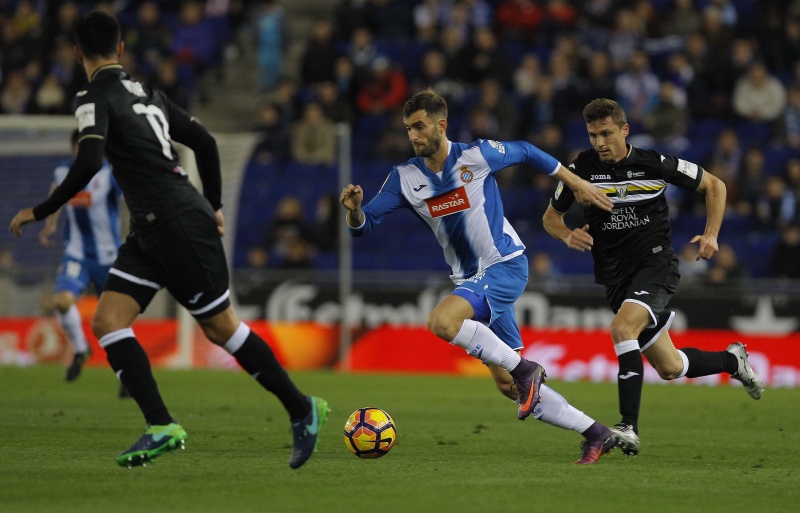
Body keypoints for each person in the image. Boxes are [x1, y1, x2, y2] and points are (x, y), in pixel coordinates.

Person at [9, 10, 327, 470]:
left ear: (77, 53)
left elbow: (90, 160)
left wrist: (41, 209)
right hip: (153, 227)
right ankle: (160, 425)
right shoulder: (148, 93)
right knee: (108, 320)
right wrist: (214, 204)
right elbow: (204, 142)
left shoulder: (92, 96)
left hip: (175, 223)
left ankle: (302, 408)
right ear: (121, 49)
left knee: (221, 328)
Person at [340, 89, 620, 464]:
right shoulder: (404, 178)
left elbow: (526, 150)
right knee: (508, 386)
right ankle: (596, 433)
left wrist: (576, 183)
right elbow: (363, 226)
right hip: (470, 280)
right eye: (408, 128)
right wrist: (354, 210)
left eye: (419, 126)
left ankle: (527, 370)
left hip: (503, 265)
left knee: (442, 321)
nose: (413, 135)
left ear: (441, 125)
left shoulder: (476, 155)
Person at [542, 98, 764, 457]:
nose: (600, 143)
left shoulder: (654, 163)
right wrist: (567, 235)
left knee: (621, 329)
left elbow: (715, 186)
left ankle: (628, 427)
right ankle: (732, 361)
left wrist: (711, 234)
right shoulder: (579, 169)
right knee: (670, 367)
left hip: (655, 264)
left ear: (625, 130)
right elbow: (551, 218)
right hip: (615, 277)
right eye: (593, 135)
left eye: (607, 134)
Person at [38, 128, 126, 390]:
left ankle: (128, 371)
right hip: (77, 254)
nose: (83, 151)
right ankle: (80, 348)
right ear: (73, 148)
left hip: (108, 257)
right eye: (79, 146)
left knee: (114, 320)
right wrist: (50, 224)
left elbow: (130, 197)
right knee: (62, 301)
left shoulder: (109, 174)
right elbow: (56, 192)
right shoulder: (62, 172)